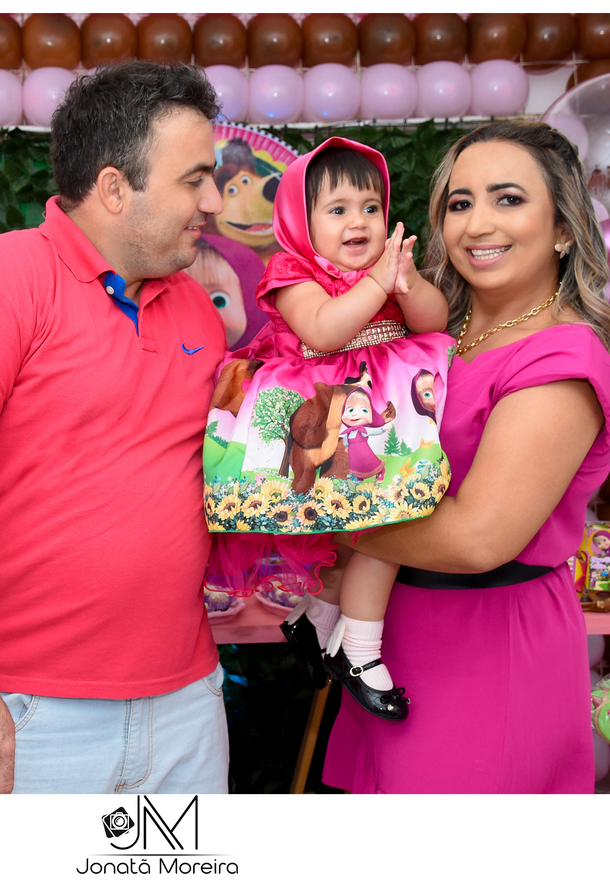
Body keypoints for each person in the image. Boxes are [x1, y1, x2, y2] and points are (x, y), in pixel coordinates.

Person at [0, 61, 230, 795]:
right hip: (22, 712)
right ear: (114, 187)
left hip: (185, 706)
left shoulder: (196, 306)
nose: (214, 201)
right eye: (194, 180)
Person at [320, 120, 610, 793]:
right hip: (392, 634)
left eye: (508, 199)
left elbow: (476, 538)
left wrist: (309, 518)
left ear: (563, 228)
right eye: (459, 203)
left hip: (488, 646)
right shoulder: (437, 333)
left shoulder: (561, 358)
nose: (478, 223)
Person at [202, 137, 452, 721]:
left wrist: (408, 283)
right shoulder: (293, 271)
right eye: (337, 210)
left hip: (378, 412)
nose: (358, 222)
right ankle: (357, 648)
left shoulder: (385, 269)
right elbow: (322, 330)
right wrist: (377, 286)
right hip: (319, 416)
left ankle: (317, 621)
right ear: (300, 221)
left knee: (372, 529)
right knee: (375, 530)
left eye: (371, 208)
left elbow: (434, 323)